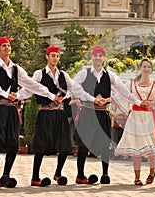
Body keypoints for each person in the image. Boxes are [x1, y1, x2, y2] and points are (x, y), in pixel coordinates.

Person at [19, 45, 101, 187]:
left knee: (65, 146)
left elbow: (75, 89)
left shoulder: (63, 75)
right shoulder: (40, 74)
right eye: (52, 55)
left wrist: (91, 99)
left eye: (57, 56)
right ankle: (35, 176)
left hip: (60, 113)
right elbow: (30, 88)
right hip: (45, 113)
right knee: (41, 146)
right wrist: (18, 95)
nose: (55, 58)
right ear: (47, 56)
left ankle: (58, 173)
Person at [73, 46, 149, 185]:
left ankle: (105, 174)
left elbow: (123, 90)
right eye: (95, 55)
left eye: (100, 56)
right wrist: (92, 99)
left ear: (104, 58)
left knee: (105, 144)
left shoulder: (110, 75)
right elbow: (74, 88)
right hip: (88, 111)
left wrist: (138, 102)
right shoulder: (84, 73)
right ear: (92, 57)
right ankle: (80, 174)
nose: (98, 58)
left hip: (103, 113)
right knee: (83, 144)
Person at [0, 37, 61, 188]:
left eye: (8, 45)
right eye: (4, 46)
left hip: (11, 110)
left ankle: (5, 175)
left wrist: (52, 96)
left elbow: (32, 85)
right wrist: (7, 95)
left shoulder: (16, 69)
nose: (7, 48)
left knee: (14, 144)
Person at [115, 58, 155, 186]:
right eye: (144, 67)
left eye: (149, 67)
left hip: (148, 116)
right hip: (135, 116)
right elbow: (123, 95)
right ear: (140, 68)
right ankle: (137, 176)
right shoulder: (132, 84)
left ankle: (152, 171)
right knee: (135, 147)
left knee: (150, 145)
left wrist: (153, 102)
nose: (146, 69)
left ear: (151, 69)